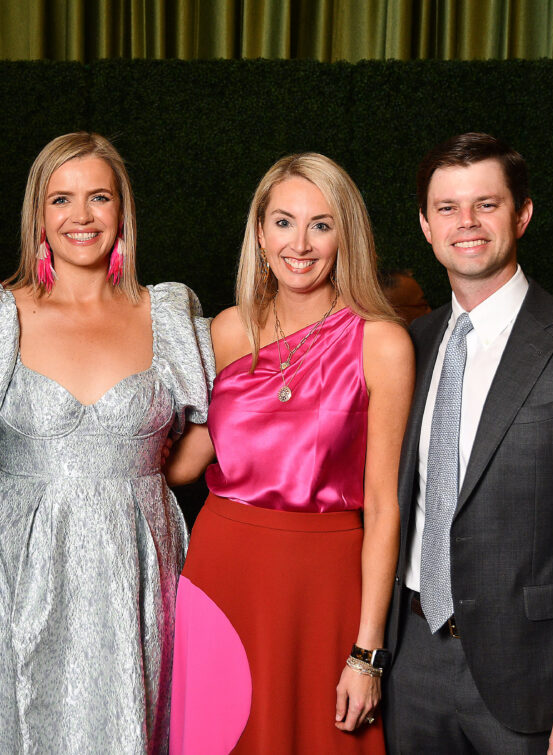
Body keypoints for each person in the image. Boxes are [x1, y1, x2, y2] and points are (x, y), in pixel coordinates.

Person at [384, 132, 553, 754]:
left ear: (523, 214)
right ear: (426, 227)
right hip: (413, 666)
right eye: (448, 208)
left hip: (539, 677)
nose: (467, 223)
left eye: (487, 204)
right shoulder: (408, 345)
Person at [0, 132, 214, 753]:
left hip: (139, 564)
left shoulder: (169, 312)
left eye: (99, 197)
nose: (81, 216)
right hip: (26, 566)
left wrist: (140, 481)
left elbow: (206, 433)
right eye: (61, 199)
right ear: (38, 214)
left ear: (122, 210)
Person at [166, 153, 414, 753]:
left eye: (321, 224)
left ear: (344, 235)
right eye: (283, 222)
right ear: (259, 231)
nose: (299, 243)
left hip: (324, 587)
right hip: (221, 574)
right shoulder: (226, 331)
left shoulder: (381, 342)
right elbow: (183, 466)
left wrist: (367, 652)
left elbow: (384, 507)